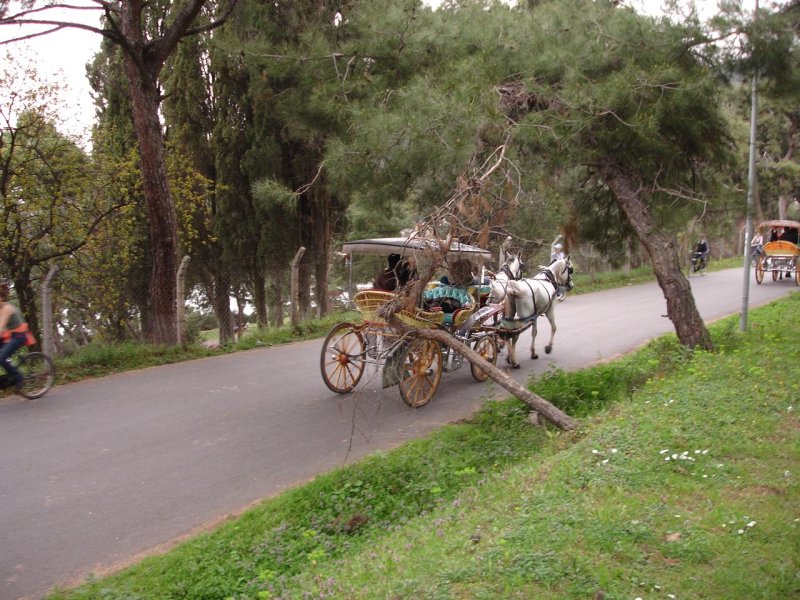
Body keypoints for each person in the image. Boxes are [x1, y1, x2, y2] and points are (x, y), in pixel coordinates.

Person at [0, 281, 35, 391]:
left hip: (19, 336)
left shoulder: (7, 309)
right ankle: (8, 375)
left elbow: (1, 328)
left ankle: (19, 378)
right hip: (9, 335)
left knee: (0, 358)